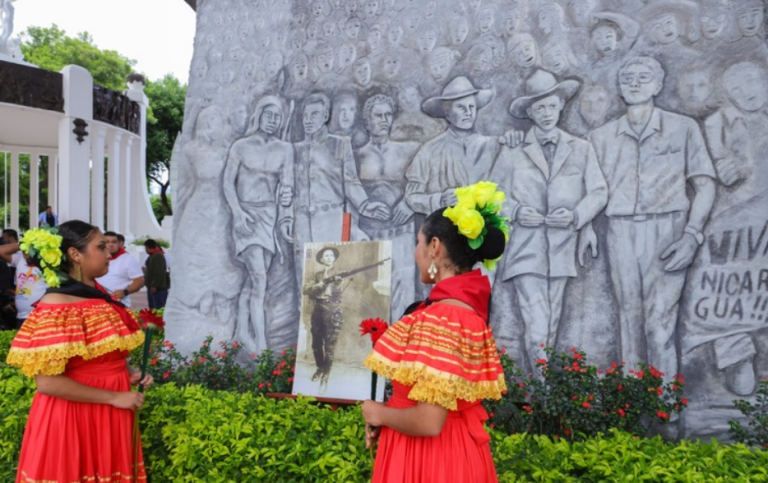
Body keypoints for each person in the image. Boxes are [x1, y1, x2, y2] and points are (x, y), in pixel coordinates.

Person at [362, 182, 507, 483]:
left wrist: (378, 413)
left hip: (431, 460)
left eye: (418, 242)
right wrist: (391, 416)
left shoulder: (442, 318)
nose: (416, 252)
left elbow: (429, 421)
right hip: (454, 452)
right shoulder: (465, 311)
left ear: (435, 247)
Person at [588, 56, 716, 381]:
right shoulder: (600, 137)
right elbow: (589, 190)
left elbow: (705, 186)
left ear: (658, 85)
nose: (634, 84)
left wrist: (692, 235)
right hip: (620, 230)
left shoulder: (683, 128)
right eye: (627, 78)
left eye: (643, 77)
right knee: (629, 321)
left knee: (659, 324)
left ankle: (666, 403)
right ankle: (634, 403)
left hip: (668, 229)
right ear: (619, 87)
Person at [6, 221, 152, 483]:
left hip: (110, 408)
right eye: (101, 247)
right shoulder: (58, 306)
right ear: (75, 254)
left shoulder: (98, 295)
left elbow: (106, 350)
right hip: (75, 415)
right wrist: (114, 397)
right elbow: (48, 383)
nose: (109, 254)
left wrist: (128, 373)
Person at [490, 70, 608, 368]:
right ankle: (541, 388)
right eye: (539, 107)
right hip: (524, 247)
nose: (546, 113)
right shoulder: (513, 149)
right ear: (530, 112)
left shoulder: (581, 149)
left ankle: (540, 386)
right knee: (537, 321)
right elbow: (493, 193)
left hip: (562, 246)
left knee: (551, 321)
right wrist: (516, 211)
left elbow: (598, 191)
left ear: (561, 106)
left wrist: (576, 216)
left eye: (551, 106)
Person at [223, 95, 295, 353]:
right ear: (259, 115)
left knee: (255, 279)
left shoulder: (285, 149)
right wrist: (237, 213)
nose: (272, 121)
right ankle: (262, 345)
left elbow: (287, 184)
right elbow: (227, 182)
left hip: (269, 217)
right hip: (247, 215)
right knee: (259, 278)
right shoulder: (241, 146)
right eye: (268, 115)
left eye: (277, 117)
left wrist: (286, 205)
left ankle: (242, 331)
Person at [302, 246, 347, 393]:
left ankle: (325, 376)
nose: (329, 258)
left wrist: (338, 283)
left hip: (333, 310)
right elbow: (305, 289)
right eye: (326, 256)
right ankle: (320, 368)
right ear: (321, 259)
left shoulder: (339, 274)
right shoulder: (317, 275)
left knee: (329, 345)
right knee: (316, 343)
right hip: (318, 309)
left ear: (334, 258)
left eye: (331, 255)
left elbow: (339, 293)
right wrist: (318, 285)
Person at [96, 231, 144, 308]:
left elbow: (140, 281)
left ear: (119, 244)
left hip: (119, 305)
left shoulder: (128, 259)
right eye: (107, 242)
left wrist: (125, 292)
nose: (111, 245)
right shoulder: (96, 258)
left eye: (114, 242)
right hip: (97, 305)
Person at [143, 239, 169, 309]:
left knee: (158, 308)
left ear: (147, 247)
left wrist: (154, 285)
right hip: (152, 287)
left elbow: (158, 272)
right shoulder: (152, 256)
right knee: (152, 309)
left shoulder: (158, 256)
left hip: (158, 288)